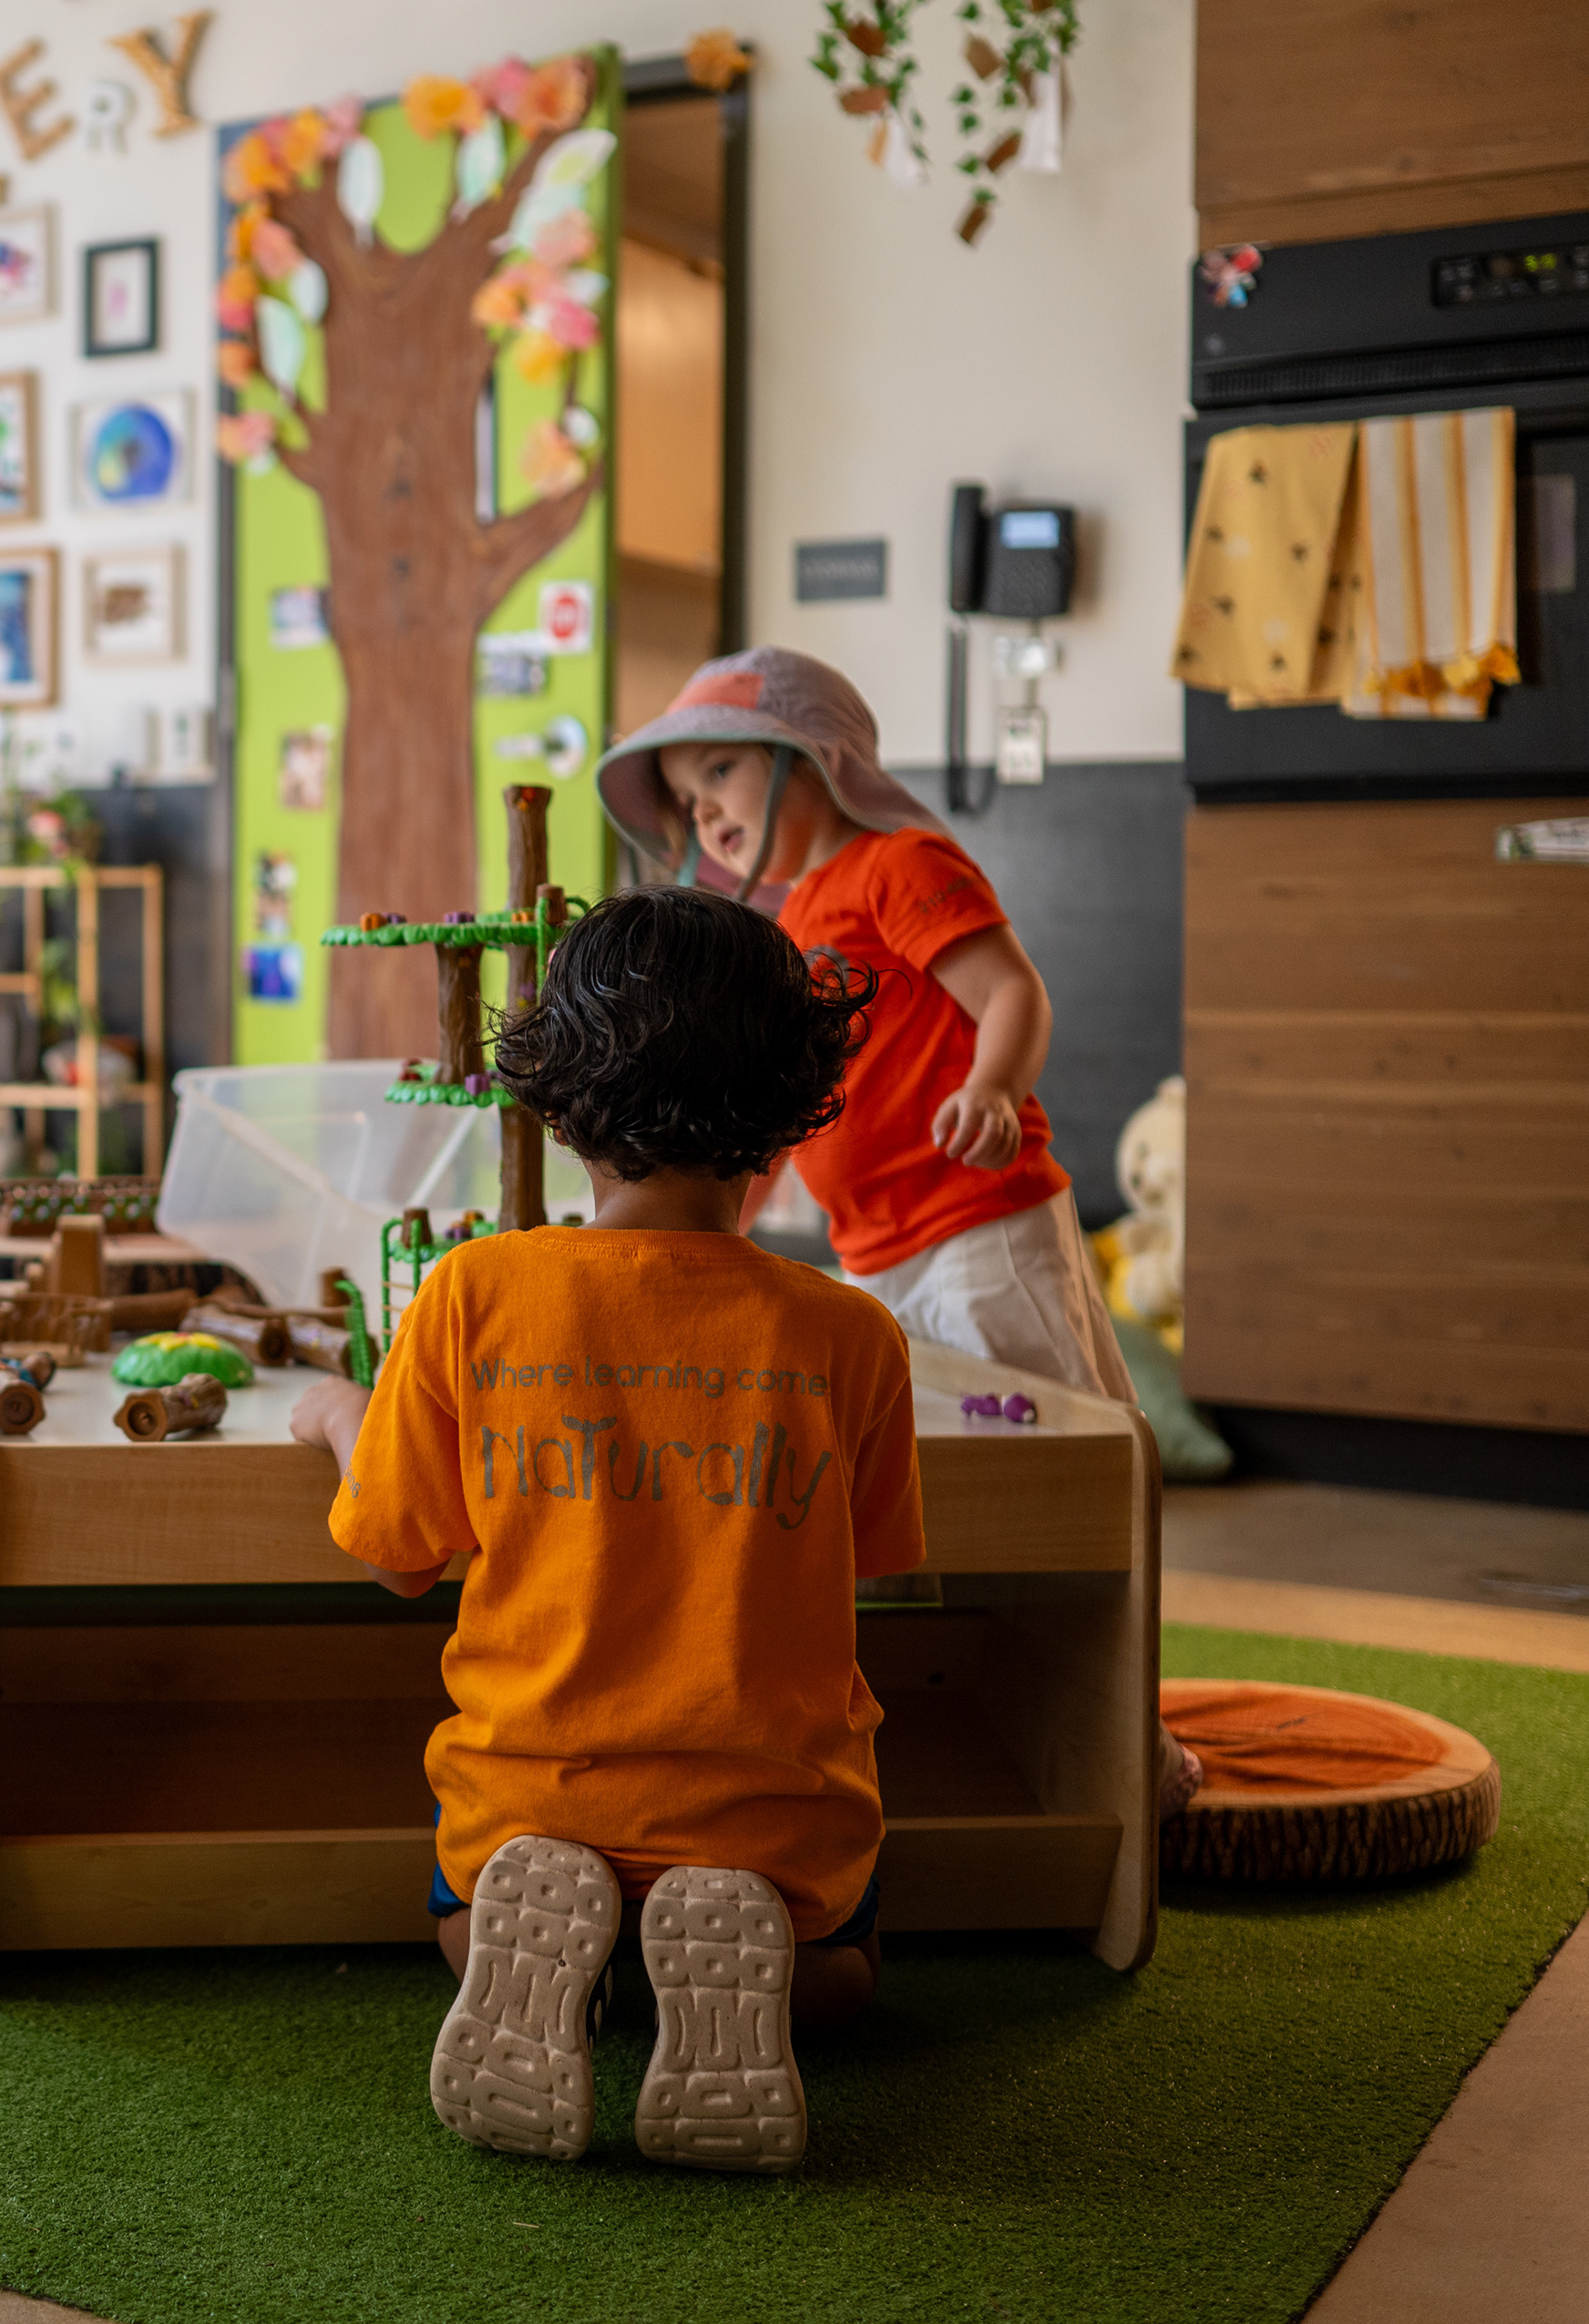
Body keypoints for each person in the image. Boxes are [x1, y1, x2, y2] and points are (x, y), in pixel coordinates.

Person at [290, 886, 921, 2175]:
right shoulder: (851, 1334)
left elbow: (393, 1556)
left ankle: (551, 1961)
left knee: (466, 1922)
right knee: (849, 1976)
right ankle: (734, 1964)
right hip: (774, 1846)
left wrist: (335, 1415)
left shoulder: (476, 1294)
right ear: (786, 1120)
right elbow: (875, 1567)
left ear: (558, 1106)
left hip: (522, 1822)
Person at [590, 646, 1132, 1399]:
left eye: (718, 772)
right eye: (685, 801)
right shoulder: (789, 922)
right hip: (870, 1252)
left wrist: (995, 1089)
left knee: (1061, 1444)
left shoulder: (899, 863)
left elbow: (1013, 991)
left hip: (974, 1220)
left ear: (812, 760)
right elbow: (782, 1102)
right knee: (929, 1467)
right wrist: (715, 1223)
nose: (702, 811)